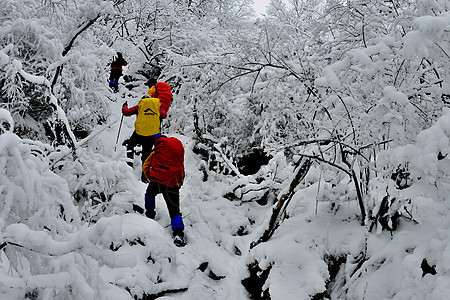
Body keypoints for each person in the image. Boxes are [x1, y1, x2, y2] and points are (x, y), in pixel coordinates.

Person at [142, 135, 186, 247]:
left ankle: (150, 213)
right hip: (172, 183)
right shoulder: (176, 155)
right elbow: (181, 170)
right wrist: (178, 184)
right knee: (174, 210)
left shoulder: (156, 151)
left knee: (149, 194)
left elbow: (146, 166)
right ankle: (178, 234)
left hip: (157, 180)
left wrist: (151, 177)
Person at [122, 87, 166, 182]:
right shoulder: (157, 106)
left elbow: (126, 112)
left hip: (139, 133)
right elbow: (164, 115)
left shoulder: (140, 105)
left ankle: (129, 165)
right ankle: (144, 176)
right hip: (150, 135)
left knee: (130, 145)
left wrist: (124, 106)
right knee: (146, 154)